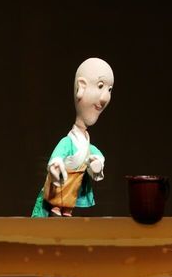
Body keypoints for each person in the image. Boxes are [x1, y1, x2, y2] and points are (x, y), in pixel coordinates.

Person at [31, 58, 113, 217]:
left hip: (72, 193)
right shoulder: (68, 143)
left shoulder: (87, 146)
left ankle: (66, 211)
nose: (104, 98)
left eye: (109, 90)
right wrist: (56, 165)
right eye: (100, 86)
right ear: (81, 87)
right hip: (59, 191)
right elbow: (58, 156)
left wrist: (96, 163)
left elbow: (95, 157)